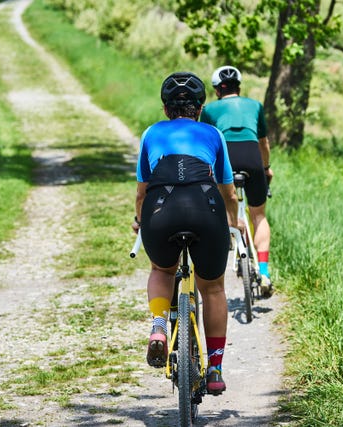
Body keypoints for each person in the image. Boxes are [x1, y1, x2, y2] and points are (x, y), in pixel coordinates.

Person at [132, 71, 240, 395]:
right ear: (201, 107)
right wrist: (234, 223)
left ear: (166, 109)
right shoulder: (212, 134)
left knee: (161, 269)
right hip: (205, 209)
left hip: (160, 211)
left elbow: (141, 193)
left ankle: (159, 329)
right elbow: (229, 193)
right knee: (213, 289)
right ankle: (216, 368)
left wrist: (140, 222)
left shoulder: (151, 133)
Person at [200, 65, 274, 295]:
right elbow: (263, 143)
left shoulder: (210, 110)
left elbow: (206, 143)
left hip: (226, 156)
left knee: (221, 204)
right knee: (259, 215)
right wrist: (266, 168)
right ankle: (264, 272)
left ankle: (229, 238)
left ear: (216, 90)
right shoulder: (255, 106)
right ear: (239, 87)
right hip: (252, 156)